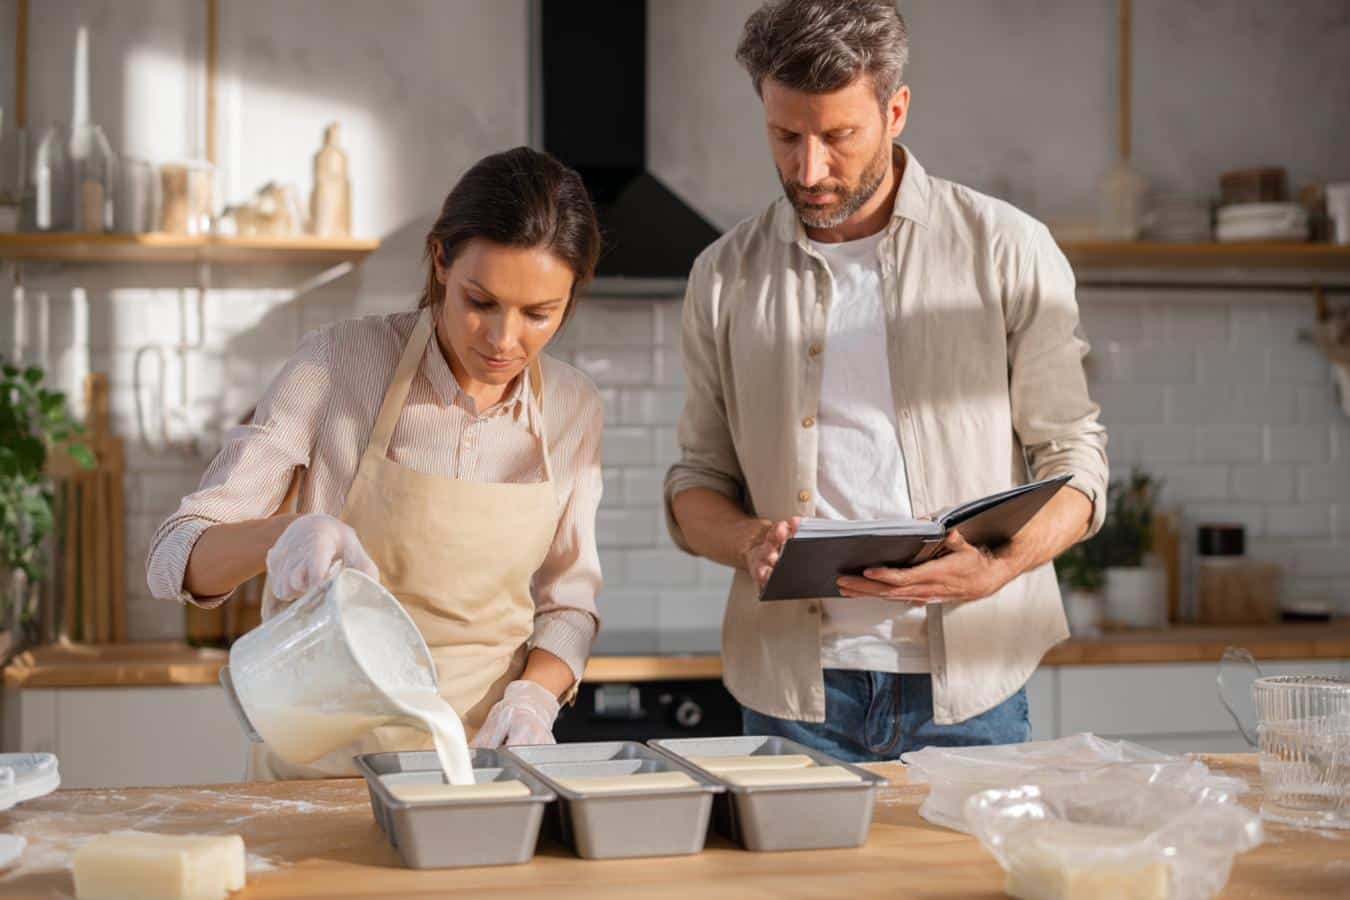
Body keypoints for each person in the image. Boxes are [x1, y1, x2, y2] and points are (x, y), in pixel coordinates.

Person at [664, 0, 1109, 761]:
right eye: (785, 136)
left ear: (895, 110)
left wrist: (998, 565)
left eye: (838, 136)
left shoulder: (1007, 249)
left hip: (972, 689)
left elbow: (1076, 463)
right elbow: (696, 481)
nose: (809, 170)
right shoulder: (723, 276)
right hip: (791, 697)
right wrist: (749, 543)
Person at [147, 147, 605, 779]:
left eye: (538, 315)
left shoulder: (574, 407)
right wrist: (287, 533)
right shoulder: (337, 364)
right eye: (480, 301)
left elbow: (569, 604)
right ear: (440, 260)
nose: (503, 340)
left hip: (472, 772)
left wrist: (534, 697)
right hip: (319, 770)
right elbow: (173, 555)